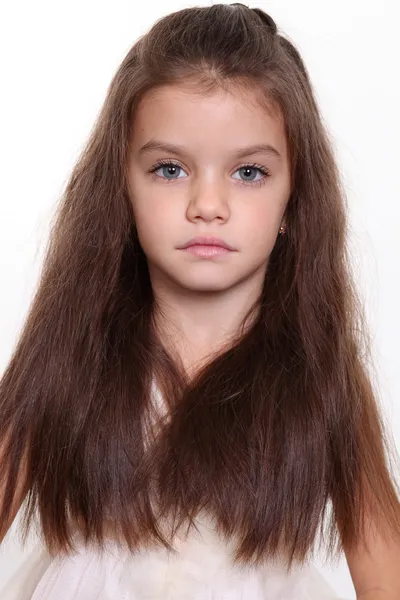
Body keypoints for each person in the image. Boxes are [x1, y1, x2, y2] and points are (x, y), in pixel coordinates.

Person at [0, 3, 399, 599]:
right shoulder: (72, 356)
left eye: (248, 173)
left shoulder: (322, 377)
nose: (207, 204)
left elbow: (384, 568)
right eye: (169, 168)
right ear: (121, 187)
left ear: (295, 199)